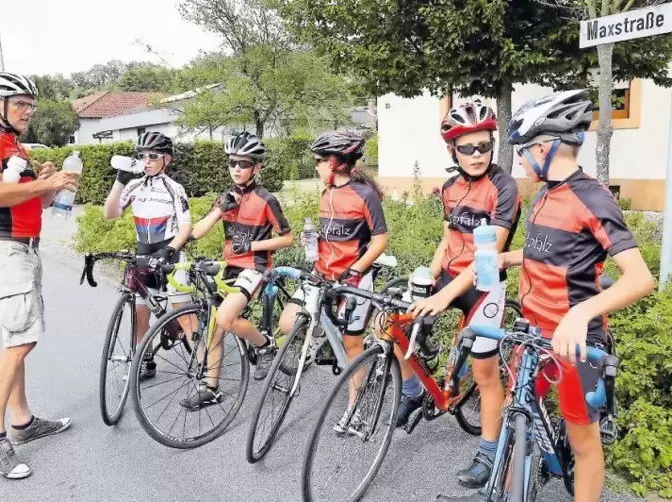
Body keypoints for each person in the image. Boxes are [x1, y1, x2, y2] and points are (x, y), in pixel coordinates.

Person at [437, 90, 654, 502]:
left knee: (582, 439)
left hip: (574, 340)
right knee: (517, 414)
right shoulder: (543, 195)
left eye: (522, 151)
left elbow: (640, 278)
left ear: (543, 147)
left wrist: (580, 315)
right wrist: (506, 258)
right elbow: (545, 251)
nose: (519, 160)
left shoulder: (592, 197)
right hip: (532, 332)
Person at [401, 99, 521, 489]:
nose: (476, 154)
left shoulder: (504, 187)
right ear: (452, 149)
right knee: (397, 323)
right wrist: (427, 277)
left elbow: (489, 252)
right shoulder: (451, 188)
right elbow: (447, 239)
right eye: (467, 147)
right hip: (450, 276)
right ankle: (412, 390)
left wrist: (442, 295)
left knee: (486, 373)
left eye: (483, 146)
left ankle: (489, 452)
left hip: (484, 285)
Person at [0, 71, 81, 479]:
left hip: (23, 248)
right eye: (20, 104)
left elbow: (42, 201)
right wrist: (42, 185)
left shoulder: (13, 144)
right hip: (2, 247)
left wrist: (51, 181)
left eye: (30, 106)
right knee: (21, 341)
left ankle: (22, 421)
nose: (27, 112)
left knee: (17, 338)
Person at [279, 130, 388, 433]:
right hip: (323, 274)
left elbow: (380, 240)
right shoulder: (326, 192)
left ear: (336, 162)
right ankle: (321, 337)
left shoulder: (364, 195)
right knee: (289, 322)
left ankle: (356, 407)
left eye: (319, 161)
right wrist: (309, 241)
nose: (315, 166)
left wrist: (355, 270)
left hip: (353, 279)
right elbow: (329, 235)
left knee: (352, 344)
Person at [188, 131, 292, 408]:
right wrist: (218, 210)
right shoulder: (226, 198)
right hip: (229, 267)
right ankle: (211, 388)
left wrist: (254, 244)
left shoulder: (266, 200)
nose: (237, 168)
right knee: (214, 329)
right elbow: (197, 232)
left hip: (254, 268)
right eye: (232, 162)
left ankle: (265, 344)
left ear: (257, 167)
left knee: (225, 317)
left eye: (244, 163)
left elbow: (287, 238)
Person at [103, 131, 196, 380]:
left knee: (185, 318)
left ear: (167, 159)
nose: (146, 161)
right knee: (140, 314)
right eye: (142, 156)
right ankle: (145, 361)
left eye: (153, 156)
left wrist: (170, 250)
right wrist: (119, 181)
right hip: (144, 256)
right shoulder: (134, 186)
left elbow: (186, 227)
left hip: (170, 256)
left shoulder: (174, 188)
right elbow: (110, 214)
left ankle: (203, 367)